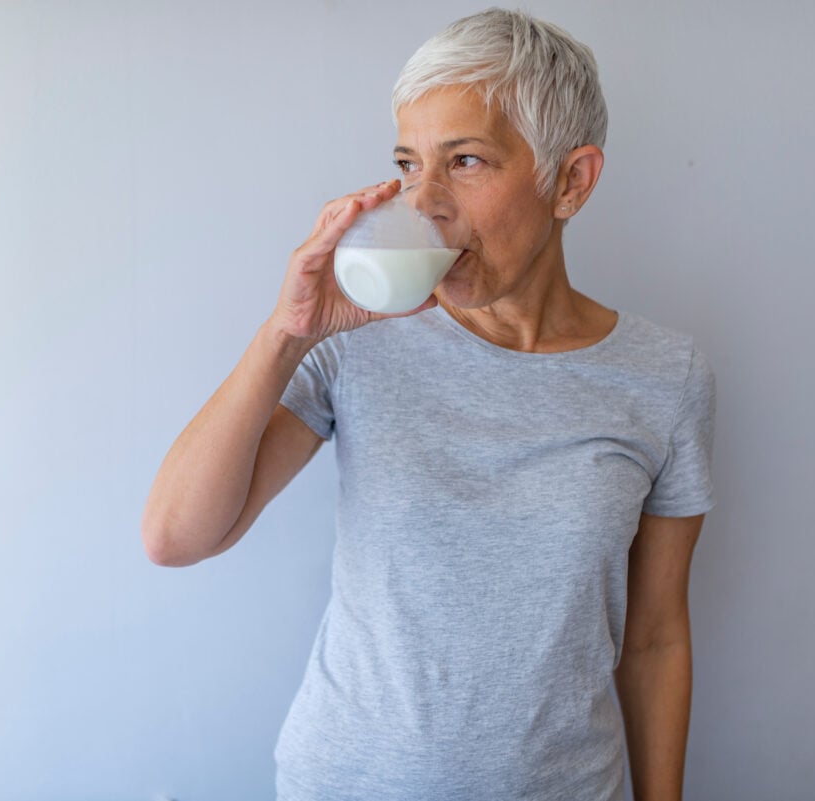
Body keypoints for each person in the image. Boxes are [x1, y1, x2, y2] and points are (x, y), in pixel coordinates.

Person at [142, 8, 715, 801]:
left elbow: (653, 639)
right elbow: (175, 535)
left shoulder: (664, 375)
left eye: (468, 160)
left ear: (571, 181)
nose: (426, 202)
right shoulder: (356, 340)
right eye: (409, 164)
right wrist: (286, 333)